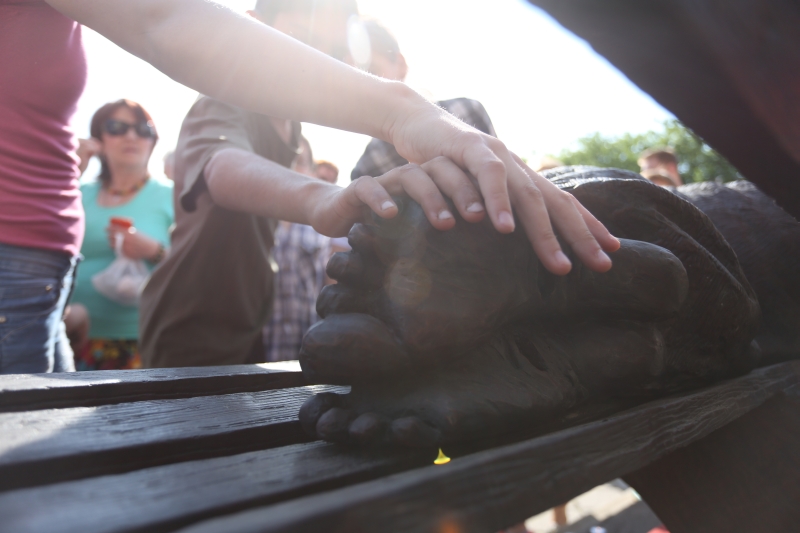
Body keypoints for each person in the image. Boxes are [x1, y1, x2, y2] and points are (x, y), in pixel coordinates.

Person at [1, 0, 616, 374]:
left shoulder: (294, 129)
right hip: (197, 325)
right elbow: (219, 167)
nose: (312, 53)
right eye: (294, 37)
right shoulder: (226, 103)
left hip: (51, 271)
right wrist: (325, 191)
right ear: (257, 32)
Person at [68, 100, 173, 370]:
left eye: (143, 129)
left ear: (152, 141)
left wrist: (155, 251)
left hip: (145, 342)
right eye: (117, 127)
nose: (131, 136)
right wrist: (69, 171)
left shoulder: (171, 196)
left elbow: (199, 270)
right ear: (98, 139)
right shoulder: (76, 194)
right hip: (72, 339)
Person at [351, 19, 498, 181]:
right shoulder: (366, 169)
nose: (361, 91)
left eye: (371, 71)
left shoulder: (466, 111)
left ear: (400, 64)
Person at [263, 139, 333, 362]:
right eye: (284, 158)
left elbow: (329, 286)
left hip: (306, 350)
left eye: (299, 160)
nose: (291, 166)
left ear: (312, 172)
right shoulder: (255, 221)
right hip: (257, 352)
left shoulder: (322, 226)